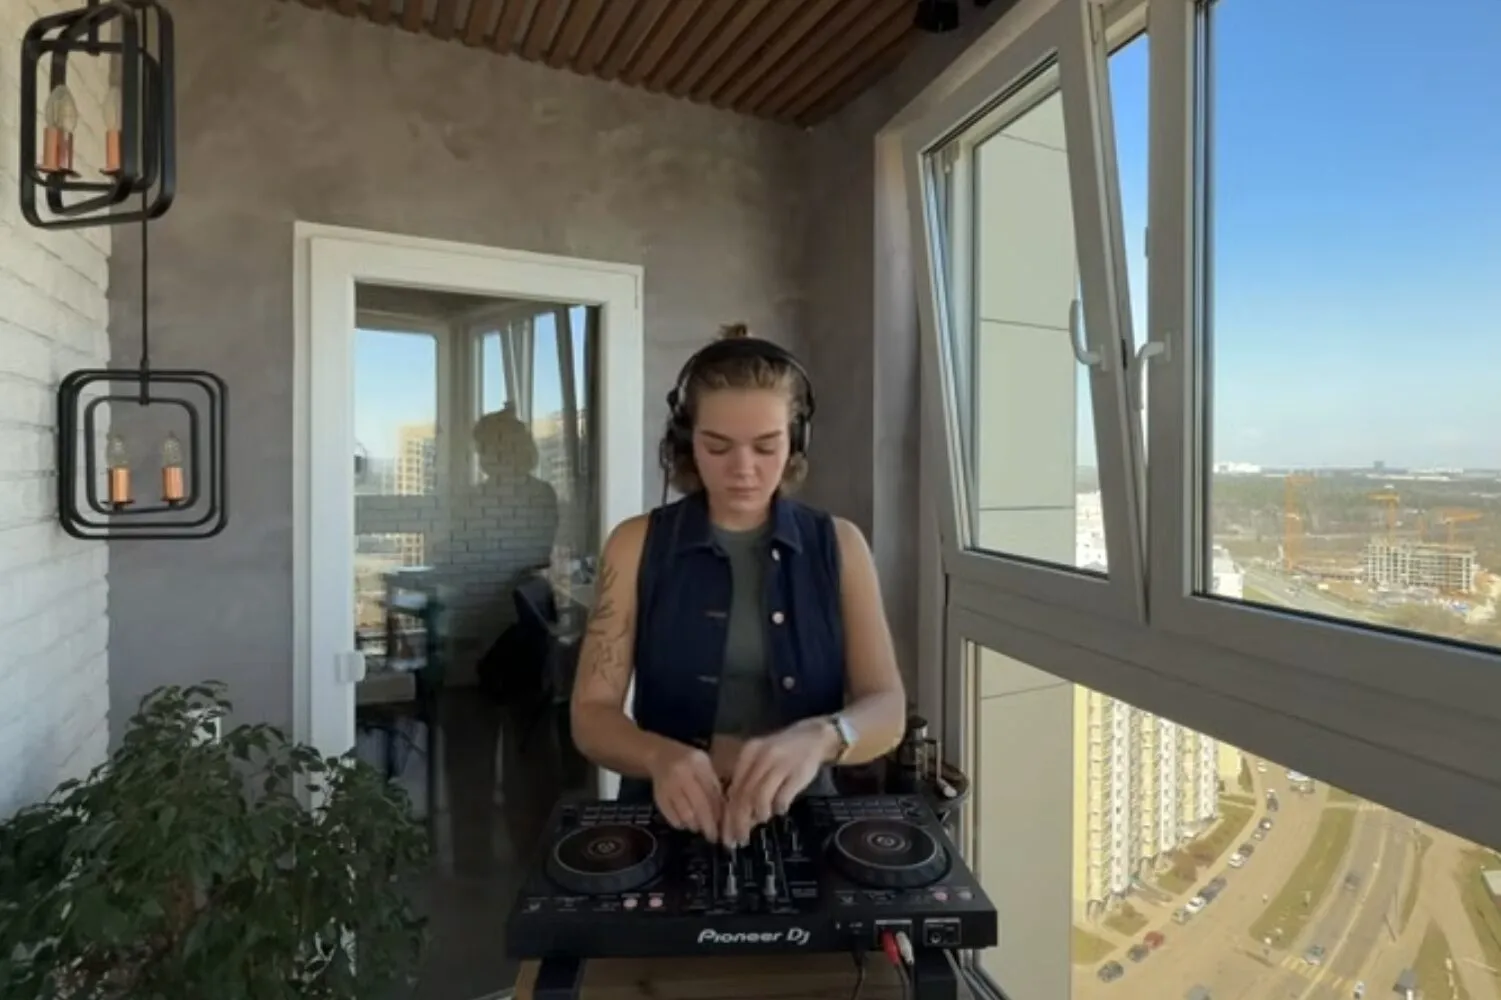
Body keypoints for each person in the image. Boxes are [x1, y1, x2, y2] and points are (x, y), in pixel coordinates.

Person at [570, 323, 907, 847]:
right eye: (718, 446)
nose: (743, 469)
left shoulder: (841, 545)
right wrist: (659, 756)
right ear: (686, 443)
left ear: (795, 441)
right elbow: (591, 715)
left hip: (806, 819)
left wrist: (823, 737)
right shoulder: (634, 544)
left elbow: (887, 707)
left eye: (766, 446)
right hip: (665, 817)